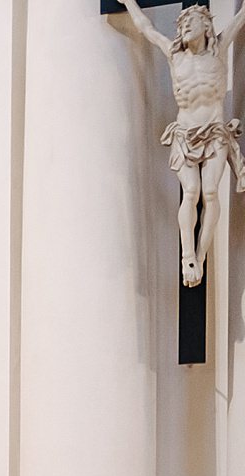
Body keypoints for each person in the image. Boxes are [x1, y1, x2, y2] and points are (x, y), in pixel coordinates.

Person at [113, 1, 245, 285]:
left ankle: (201, 255)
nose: (185, 27)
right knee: (191, 191)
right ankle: (188, 257)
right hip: (184, 133)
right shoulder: (176, 57)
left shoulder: (219, 50)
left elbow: (240, 18)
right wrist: (130, 3)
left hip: (214, 132)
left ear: (206, 26)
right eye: (182, 24)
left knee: (210, 192)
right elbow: (146, 29)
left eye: (191, 22)